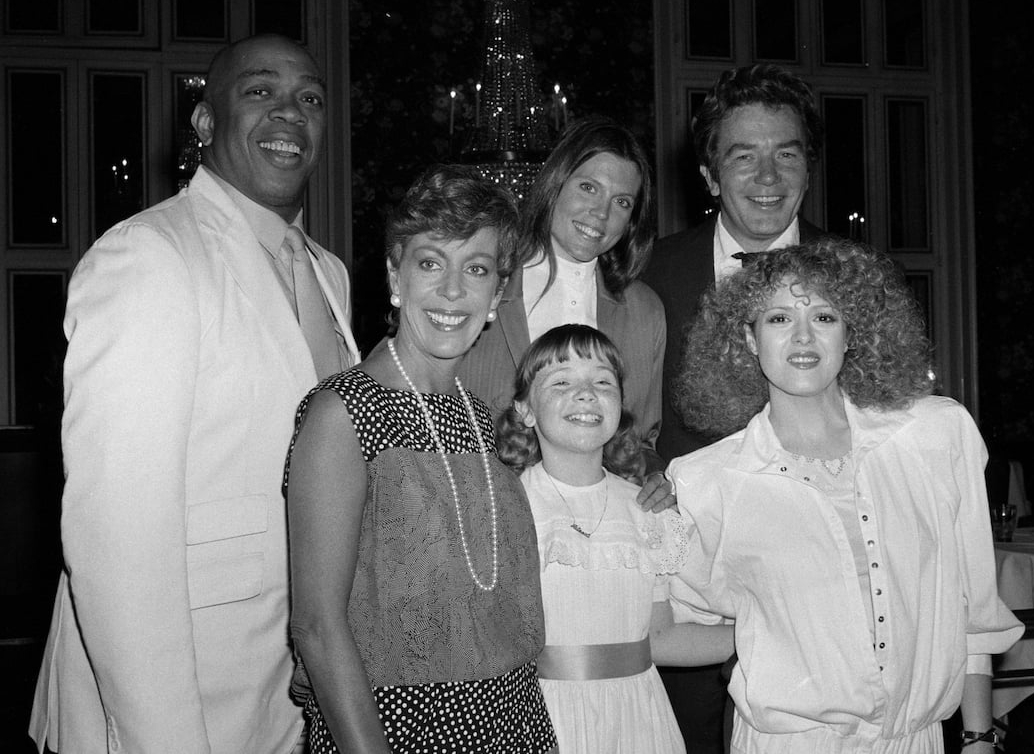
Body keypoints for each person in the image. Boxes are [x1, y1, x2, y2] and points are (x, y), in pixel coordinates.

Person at [29, 34, 358, 754]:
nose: (290, 113)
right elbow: (118, 541)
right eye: (260, 91)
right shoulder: (149, 257)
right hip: (176, 704)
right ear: (204, 122)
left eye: (310, 98)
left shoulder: (329, 274)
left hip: (291, 694)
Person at [667, 239, 1025, 753]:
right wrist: (770, 633)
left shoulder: (935, 436)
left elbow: (970, 608)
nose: (804, 336)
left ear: (852, 332)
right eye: (779, 319)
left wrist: (977, 737)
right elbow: (670, 627)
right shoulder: (706, 480)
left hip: (916, 739)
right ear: (748, 339)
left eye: (825, 316)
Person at [286, 165, 556, 753]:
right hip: (395, 732)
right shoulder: (343, 413)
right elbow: (317, 625)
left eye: (477, 269)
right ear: (394, 276)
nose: (454, 291)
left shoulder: (480, 419)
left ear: (498, 293)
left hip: (512, 726)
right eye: (431, 263)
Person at [642, 62, 832, 751]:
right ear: (710, 174)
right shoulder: (649, 278)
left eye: (786, 154)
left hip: (820, 601)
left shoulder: (857, 275)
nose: (767, 176)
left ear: (808, 167)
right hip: (687, 587)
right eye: (742, 156)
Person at [495, 323, 734, 753]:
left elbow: (660, 639)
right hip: (540, 721)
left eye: (602, 381)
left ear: (621, 405)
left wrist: (764, 630)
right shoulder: (506, 507)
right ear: (526, 410)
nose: (586, 393)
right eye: (562, 381)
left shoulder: (646, 512)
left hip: (639, 721)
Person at [458, 115, 673, 511]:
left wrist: (658, 479)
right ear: (555, 184)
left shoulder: (644, 310)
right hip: (482, 517)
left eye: (621, 202)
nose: (600, 213)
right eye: (588, 187)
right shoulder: (484, 280)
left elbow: (640, 442)